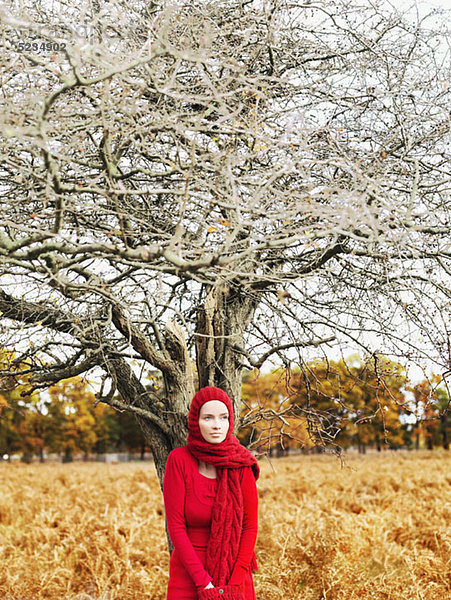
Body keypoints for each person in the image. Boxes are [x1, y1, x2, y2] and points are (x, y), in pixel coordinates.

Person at [163, 386, 260, 600]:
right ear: (195, 423)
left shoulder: (241, 463)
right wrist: (203, 583)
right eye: (208, 418)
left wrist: (233, 584)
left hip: (235, 572)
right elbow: (176, 527)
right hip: (189, 575)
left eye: (223, 417)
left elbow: (249, 526)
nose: (217, 425)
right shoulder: (178, 460)